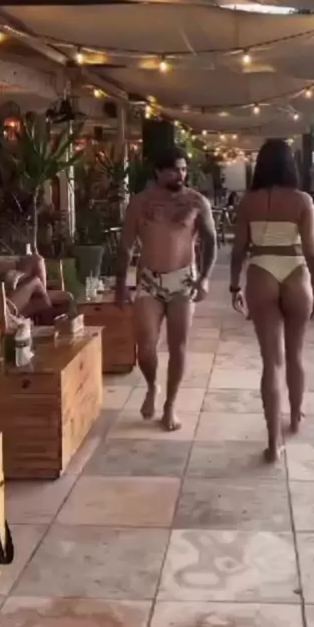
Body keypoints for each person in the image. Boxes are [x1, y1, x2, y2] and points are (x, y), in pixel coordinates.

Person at [230, 138, 314, 462]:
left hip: (261, 271)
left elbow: (238, 250)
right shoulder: (302, 200)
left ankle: (273, 444)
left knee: (271, 362)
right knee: (296, 355)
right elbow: (313, 253)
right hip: (296, 272)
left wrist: (233, 286)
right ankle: (296, 417)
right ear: (291, 164)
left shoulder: (248, 202)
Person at [115, 146, 217, 431]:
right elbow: (125, 247)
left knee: (177, 346)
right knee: (146, 348)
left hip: (183, 281)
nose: (180, 175)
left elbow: (211, 242)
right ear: (158, 172)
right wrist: (121, 285)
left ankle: (170, 405)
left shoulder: (196, 202)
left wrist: (205, 278)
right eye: (174, 170)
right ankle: (152, 386)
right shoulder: (139, 203)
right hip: (149, 280)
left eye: (183, 169)